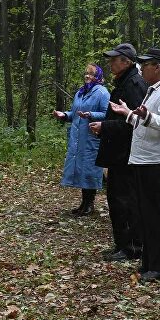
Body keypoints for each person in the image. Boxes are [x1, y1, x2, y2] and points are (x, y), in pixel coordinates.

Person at [108, 48, 160, 282]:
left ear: (158, 67)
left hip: (156, 161)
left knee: (156, 216)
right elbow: (145, 121)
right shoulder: (153, 91)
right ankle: (149, 262)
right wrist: (129, 114)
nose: (141, 68)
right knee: (144, 215)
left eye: (146, 64)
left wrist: (147, 117)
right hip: (143, 159)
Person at [90, 43, 149, 261]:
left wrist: (105, 127)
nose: (110, 63)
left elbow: (134, 122)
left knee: (126, 200)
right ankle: (123, 245)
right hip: (118, 152)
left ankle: (132, 247)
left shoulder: (133, 84)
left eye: (114, 59)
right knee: (117, 200)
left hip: (127, 154)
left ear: (126, 61)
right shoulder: (123, 82)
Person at [53, 64, 110, 216]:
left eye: (90, 74)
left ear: (97, 76)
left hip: (92, 136)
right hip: (79, 136)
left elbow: (107, 114)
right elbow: (75, 113)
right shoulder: (81, 92)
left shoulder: (102, 93)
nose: (87, 76)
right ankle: (83, 203)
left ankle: (90, 204)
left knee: (90, 169)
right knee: (81, 169)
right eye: (86, 73)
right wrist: (64, 115)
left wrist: (91, 114)